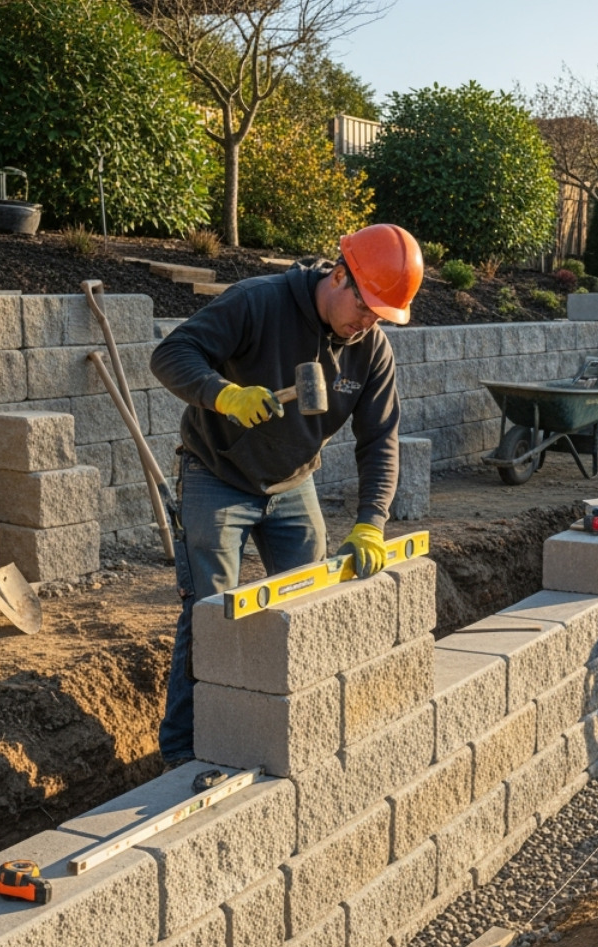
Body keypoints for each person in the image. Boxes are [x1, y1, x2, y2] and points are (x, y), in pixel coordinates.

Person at [148, 224, 424, 767]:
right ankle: (183, 750)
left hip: (293, 482)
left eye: (379, 316)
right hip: (216, 472)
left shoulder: (370, 349)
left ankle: (296, 730)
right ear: (340, 275)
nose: (367, 322)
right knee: (211, 611)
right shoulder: (258, 302)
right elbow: (171, 355)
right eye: (365, 306)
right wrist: (223, 395)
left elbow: (380, 440)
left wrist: (372, 521)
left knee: (307, 603)